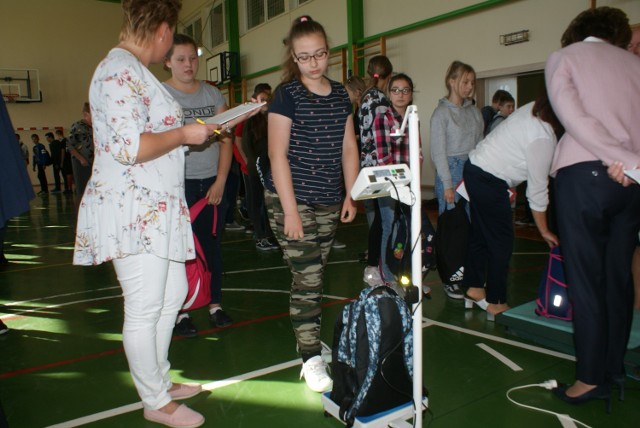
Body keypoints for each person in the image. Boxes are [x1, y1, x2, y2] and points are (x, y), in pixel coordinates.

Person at [72, 1, 223, 426]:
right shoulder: (117, 70)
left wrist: (191, 133)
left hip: (155, 205)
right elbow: (129, 147)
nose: (171, 43)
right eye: (171, 35)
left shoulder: (135, 73)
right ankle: (155, 400)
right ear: (160, 30)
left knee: (172, 295)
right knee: (144, 305)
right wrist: (186, 134)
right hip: (132, 208)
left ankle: (160, 379)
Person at [545, 6, 640, 408]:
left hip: (585, 175)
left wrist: (614, 155)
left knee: (586, 280)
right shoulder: (634, 64)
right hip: (631, 181)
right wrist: (631, 163)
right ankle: (614, 367)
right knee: (619, 277)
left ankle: (589, 378)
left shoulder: (564, 58)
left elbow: (574, 117)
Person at [263, 15, 358, 392]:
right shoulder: (286, 95)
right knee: (309, 277)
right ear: (293, 57)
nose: (313, 62)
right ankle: (309, 356)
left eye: (319, 54)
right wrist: (288, 211)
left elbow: (349, 146)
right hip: (291, 197)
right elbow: (277, 155)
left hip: (328, 199)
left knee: (314, 275)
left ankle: (308, 337)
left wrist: (351, 193)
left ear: (328, 52)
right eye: (304, 57)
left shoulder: (339, 95)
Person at [163, 33, 241, 336]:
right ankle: (180, 311)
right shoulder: (160, 94)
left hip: (211, 182)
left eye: (193, 58)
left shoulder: (212, 96)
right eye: (180, 59)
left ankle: (215, 304)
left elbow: (226, 140)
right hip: (175, 183)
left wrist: (221, 180)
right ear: (167, 61)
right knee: (179, 249)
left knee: (211, 246)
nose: (188, 64)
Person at [463, 94, 562, 320]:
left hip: (476, 169)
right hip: (489, 178)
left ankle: (474, 287)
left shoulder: (533, 107)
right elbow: (537, 190)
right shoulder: (542, 137)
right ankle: (496, 302)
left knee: (481, 234)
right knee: (501, 241)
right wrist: (544, 230)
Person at [429, 60, 483, 299]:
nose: (469, 86)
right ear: (452, 81)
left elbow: (481, 145)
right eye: (465, 81)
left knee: (471, 226)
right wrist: (448, 185)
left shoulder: (474, 112)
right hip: (450, 172)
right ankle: (451, 278)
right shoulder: (441, 114)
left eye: (472, 82)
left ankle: (468, 274)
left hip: (471, 170)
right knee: (452, 230)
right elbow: (438, 152)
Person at [372, 73, 421, 292]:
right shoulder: (382, 117)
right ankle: (387, 274)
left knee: (409, 227)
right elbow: (383, 155)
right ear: (389, 93)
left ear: (411, 93)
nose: (401, 95)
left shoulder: (413, 116)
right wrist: (398, 182)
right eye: (396, 90)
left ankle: (408, 271)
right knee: (388, 226)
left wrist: (414, 179)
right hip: (390, 182)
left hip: (410, 181)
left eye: (405, 90)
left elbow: (417, 151)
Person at [358, 55, 393, 287]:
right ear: (388, 76)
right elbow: (384, 137)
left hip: (367, 165)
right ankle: (375, 266)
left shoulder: (364, 97)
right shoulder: (381, 100)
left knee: (378, 219)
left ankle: (376, 265)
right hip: (380, 165)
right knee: (383, 221)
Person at [239, 85, 279, 251]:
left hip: (270, 167)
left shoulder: (273, 119)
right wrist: (250, 162)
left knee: (270, 202)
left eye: (267, 100)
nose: (264, 104)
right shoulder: (250, 121)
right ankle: (261, 235)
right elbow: (245, 144)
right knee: (256, 202)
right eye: (261, 100)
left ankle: (270, 234)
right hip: (256, 168)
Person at [68, 102, 93, 197]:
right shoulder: (77, 126)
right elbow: (70, 145)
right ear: (86, 114)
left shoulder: (96, 126)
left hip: (94, 162)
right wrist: (81, 158)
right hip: (81, 163)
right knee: (83, 190)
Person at [56, 129, 73, 194]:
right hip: (70, 159)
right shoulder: (68, 140)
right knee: (71, 174)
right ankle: (72, 188)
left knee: (68, 174)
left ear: (58, 134)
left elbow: (63, 152)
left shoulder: (62, 142)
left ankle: (69, 189)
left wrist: (61, 162)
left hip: (66, 160)